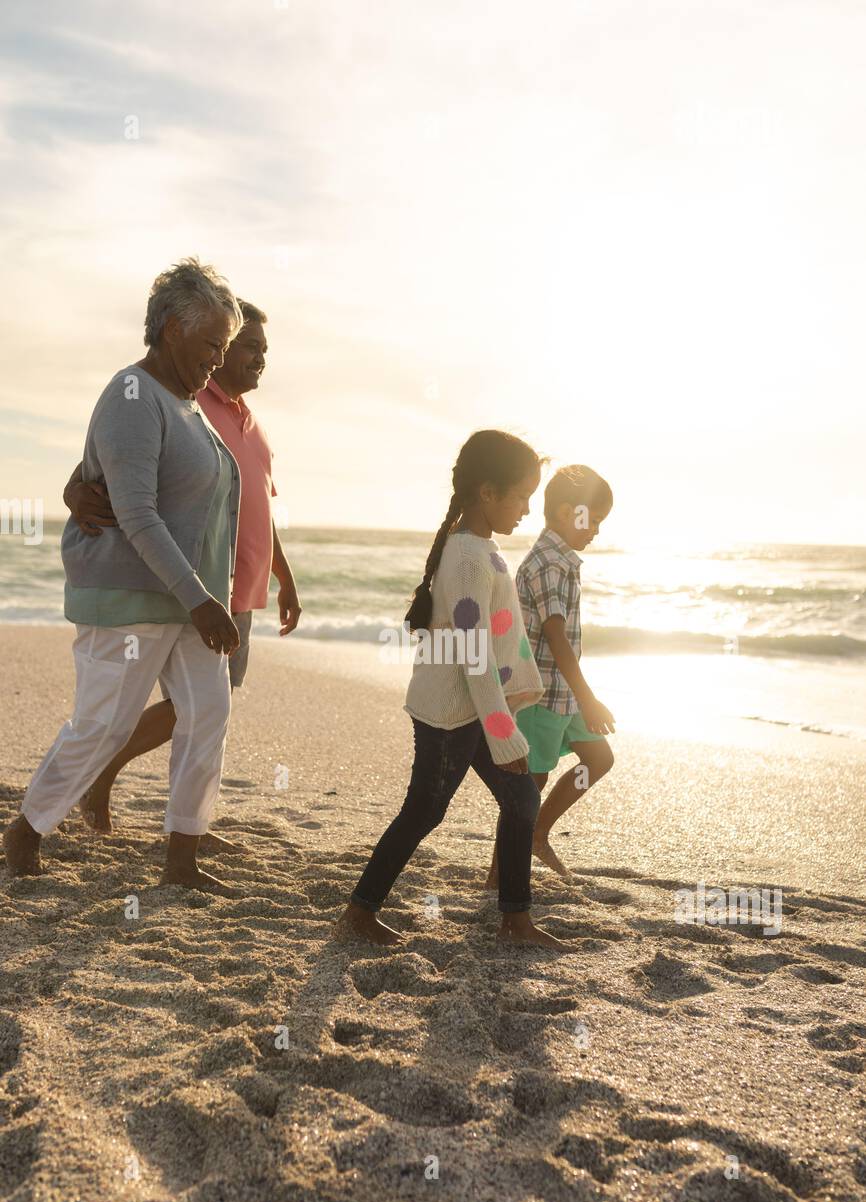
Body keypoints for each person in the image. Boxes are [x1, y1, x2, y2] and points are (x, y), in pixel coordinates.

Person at [3, 257, 243, 894]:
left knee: (209, 712)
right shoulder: (133, 396)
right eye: (211, 344)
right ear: (171, 331)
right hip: (134, 593)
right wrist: (202, 600)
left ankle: (182, 857)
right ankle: (27, 828)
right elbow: (135, 514)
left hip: (189, 598)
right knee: (105, 722)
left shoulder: (187, 406)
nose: (218, 358)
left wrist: (208, 596)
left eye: (225, 345)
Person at [61, 300, 302, 840]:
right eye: (247, 346)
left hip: (241, 588)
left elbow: (260, 506)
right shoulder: (185, 401)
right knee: (188, 705)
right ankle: (105, 775)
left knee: (209, 705)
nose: (258, 357)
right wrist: (73, 489)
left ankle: (185, 822)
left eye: (262, 348)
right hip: (193, 583)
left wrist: (283, 577)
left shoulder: (251, 425)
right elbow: (113, 462)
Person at [337, 430, 576, 952]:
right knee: (425, 809)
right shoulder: (469, 555)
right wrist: (504, 732)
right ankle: (360, 910)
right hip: (451, 713)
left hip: (469, 707)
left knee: (521, 800)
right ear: (487, 492)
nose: (527, 510)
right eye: (521, 497)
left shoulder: (478, 546)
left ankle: (515, 918)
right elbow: (472, 652)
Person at [486, 465, 615, 888]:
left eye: (600, 521)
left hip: (565, 694)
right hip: (542, 694)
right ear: (564, 512)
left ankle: (538, 834)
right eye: (591, 519)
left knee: (598, 759)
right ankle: (498, 874)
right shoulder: (547, 564)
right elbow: (557, 638)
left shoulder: (562, 560)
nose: (595, 529)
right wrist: (590, 697)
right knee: (530, 784)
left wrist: (580, 696)